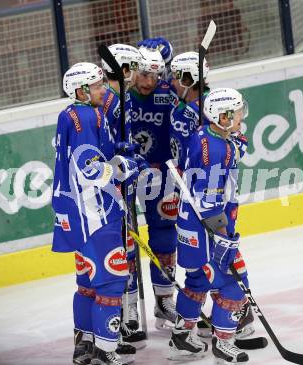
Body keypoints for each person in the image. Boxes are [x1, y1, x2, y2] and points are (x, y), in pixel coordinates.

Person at [52, 62, 141, 365]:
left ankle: (85, 345)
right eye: (97, 85)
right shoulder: (88, 116)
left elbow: (88, 152)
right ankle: (106, 350)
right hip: (95, 212)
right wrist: (126, 166)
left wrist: (116, 146)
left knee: (87, 282)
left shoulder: (70, 114)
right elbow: (91, 169)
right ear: (80, 91)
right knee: (111, 280)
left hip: (73, 215)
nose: (104, 89)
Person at [168, 88, 251, 363]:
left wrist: (234, 142)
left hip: (189, 225)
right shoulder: (216, 150)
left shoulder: (205, 135)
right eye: (237, 113)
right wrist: (223, 235)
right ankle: (224, 342)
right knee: (230, 282)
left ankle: (182, 337)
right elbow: (209, 200)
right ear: (222, 116)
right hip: (206, 228)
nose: (242, 117)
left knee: (197, 280)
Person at [101, 44, 149, 347]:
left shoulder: (120, 99)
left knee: (128, 251)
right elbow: (104, 149)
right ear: (125, 69)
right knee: (119, 253)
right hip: (111, 190)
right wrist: (121, 159)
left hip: (122, 185)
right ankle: (116, 321)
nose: (137, 74)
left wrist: (129, 154)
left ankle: (126, 318)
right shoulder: (108, 102)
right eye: (133, 67)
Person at [129, 46, 180, 331]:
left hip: (160, 174)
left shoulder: (166, 93)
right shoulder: (119, 97)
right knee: (123, 240)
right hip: (124, 175)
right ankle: (128, 306)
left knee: (163, 236)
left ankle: (164, 300)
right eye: (143, 75)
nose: (149, 82)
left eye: (155, 75)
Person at [168, 51, 209, 170]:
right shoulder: (180, 102)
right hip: (180, 179)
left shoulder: (209, 107)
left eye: (175, 78)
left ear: (186, 81)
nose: (172, 82)